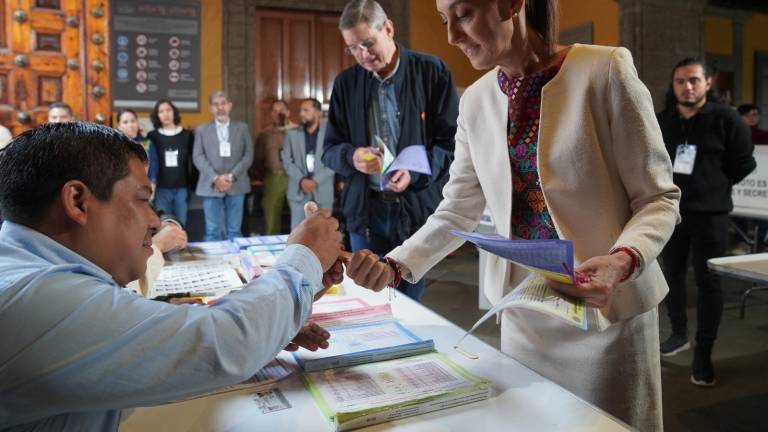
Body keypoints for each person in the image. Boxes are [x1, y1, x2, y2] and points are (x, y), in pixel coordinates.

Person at [345, 1, 680, 430]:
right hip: (525, 311)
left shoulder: (604, 71)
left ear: (512, 5)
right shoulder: (476, 100)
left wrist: (622, 260)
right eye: (445, 21)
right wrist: (395, 265)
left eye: (464, 14)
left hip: (607, 313)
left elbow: (658, 198)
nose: (452, 37)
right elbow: (457, 209)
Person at [0, 122, 348, 431]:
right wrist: (303, 256)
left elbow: (147, 345)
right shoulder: (35, 300)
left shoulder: (30, 272)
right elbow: (223, 341)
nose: (154, 221)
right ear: (78, 201)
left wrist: (275, 317)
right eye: (142, 200)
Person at [322, 0, 459, 301]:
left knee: (409, 303)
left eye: (367, 43)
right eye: (353, 48)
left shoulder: (432, 72)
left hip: (414, 210)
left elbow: (452, 145)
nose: (362, 54)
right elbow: (329, 150)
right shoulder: (346, 84)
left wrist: (413, 172)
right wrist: (352, 157)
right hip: (366, 214)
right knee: (368, 300)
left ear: (388, 29)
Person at [657, 58, 756, 386]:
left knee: (708, 283)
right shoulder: (663, 120)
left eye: (694, 80)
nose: (687, 87)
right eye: (680, 81)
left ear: (708, 83)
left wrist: (716, 184)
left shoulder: (726, 118)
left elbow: (744, 162)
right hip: (671, 212)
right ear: (673, 85)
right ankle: (678, 333)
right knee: (670, 276)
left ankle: (703, 353)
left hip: (711, 215)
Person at [194, 91, 254, 241]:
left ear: (230, 106)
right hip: (211, 185)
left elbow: (248, 155)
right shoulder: (201, 130)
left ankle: (235, 257)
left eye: (223, 103)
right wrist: (216, 178)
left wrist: (231, 177)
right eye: (216, 104)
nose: (220, 107)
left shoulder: (242, 128)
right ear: (211, 108)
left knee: (235, 231)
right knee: (212, 231)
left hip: (237, 184)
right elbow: (198, 157)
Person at [282, 98, 335, 229]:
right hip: (298, 192)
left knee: (323, 234)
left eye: (306, 110)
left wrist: (315, 181)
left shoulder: (330, 134)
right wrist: (302, 180)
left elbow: (334, 161)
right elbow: (287, 161)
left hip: (323, 192)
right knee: (298, 235)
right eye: (301, 110)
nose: (301, 113)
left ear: (317, 112)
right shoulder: (292, 134)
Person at [147, 100, 195, 226]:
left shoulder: (187, 135)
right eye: (161, 111)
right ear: (157, 116)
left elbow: (193, 161)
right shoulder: (152, 136)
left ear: (174, 112)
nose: (165, 114)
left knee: (181, 224)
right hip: (161, 189)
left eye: (168, 110)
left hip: (182, 188)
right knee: (163, 225)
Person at [254, 100, 297, 234]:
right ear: (271, 114)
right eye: (275, 111)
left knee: (299, 218)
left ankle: (300, 245)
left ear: (288, 112)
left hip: (296, 178)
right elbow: (258, 159)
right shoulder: (264, 134)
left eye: (282, 110)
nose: (279, 114)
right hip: (274, 177)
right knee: (271, 219)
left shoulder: (299, 131)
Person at [117, 108, 159, 186]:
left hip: (143, 186)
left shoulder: (147, 143)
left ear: (137, 123)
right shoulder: (115, 144)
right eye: (125, 122)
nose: (130, 125)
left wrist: (153, 182)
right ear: (119, 126)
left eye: (133, 121)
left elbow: (153, 164)